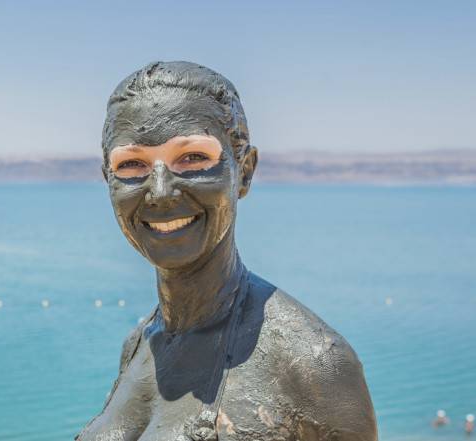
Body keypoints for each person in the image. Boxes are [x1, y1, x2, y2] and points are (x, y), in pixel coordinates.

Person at [76, 62, 377, 441]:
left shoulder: (313, 365)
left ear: (244, 171)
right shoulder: (139, 345)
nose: (161, 191)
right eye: (131, 165)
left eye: (192, 158)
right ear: (109, 181)